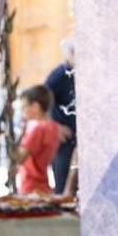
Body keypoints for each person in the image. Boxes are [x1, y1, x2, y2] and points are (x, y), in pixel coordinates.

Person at [12, 85, 62, 197]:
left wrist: (11, 139)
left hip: (30, 187)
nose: (23, 111)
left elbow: (20, 158)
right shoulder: (54, 127)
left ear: (35, 107)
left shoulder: (38, 130)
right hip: (43, 186)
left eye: (24, 106)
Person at [44, 38, 77, 194]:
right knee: (62, 185)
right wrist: (55, 127)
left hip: (79, 140)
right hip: (64, 141)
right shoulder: (59, 75)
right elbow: (41, 101)